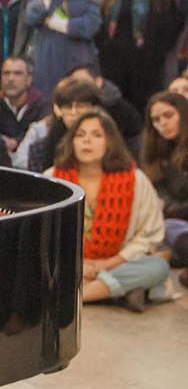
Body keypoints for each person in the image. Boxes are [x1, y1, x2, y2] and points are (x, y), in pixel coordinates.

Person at [44, 109, 169, 311]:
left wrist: (106, 264)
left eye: (96, 135)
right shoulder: (53, 179)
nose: (87, 141)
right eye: (80, 135)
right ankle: (117, 291)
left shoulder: (136, 180)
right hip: (65, 264)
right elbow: (42, 235)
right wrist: (77, 264)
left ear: (110, 142)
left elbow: (148, 234)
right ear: (71, 142)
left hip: (116, 264)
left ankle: (78, 295)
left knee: (158, 267)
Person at [96, 0, 185, 115]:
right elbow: (98, 31)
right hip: (113, 64)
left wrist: (158, 51)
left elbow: (172, 24)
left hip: (147, 65)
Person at [24, 0, 102, 99]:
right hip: (46, 58)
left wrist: (54, 23)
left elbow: (89, 26)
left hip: (77, 59)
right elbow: (31, 16)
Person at [16, 76, 105, 172]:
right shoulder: (40, 150)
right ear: (58, 110)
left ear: (94, 108)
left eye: (81, 106)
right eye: (68, 106)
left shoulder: (108, 144)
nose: (74, 112)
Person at [141, 91, 188, 269]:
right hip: (170, 223)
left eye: (168, 115)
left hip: (175, 222)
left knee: (168, 228)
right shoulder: (156, 154)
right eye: (156, 120)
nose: (162, 123)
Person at [61, 64, 145, 147]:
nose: (78, 87)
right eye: (73, 83)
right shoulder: (64, 109)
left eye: (83, 82)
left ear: (98, 81)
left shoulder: (115, 106)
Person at [0, 56, 45, 159]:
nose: (11, 79)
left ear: (28, 80)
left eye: (17, 74)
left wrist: (16, 142)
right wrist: (0, 140)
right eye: (6, 73)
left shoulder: (42, 105)